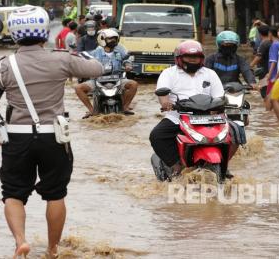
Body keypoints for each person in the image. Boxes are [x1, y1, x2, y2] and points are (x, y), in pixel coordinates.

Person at [0, 5, 103, 259]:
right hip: (54, 137)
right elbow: (97, 69)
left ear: (14, 34)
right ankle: (52, 250)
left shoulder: (3, 66)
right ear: (45, 32)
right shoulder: (61, 59)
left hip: (16, 137)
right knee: (55, 194)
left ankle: (21, 242)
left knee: (13, 193)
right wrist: (76, 51)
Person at [149, 40, 229, 176]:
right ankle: (176, 165)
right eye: (189, 57)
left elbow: (219, 97)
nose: (193, 60)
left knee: (235, 133)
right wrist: (165, 103)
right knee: (157, 136)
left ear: (201, 58)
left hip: (208, 117)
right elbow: (163, 95)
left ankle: (225, 165)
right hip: (178, 116)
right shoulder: (168, 73)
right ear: (179, 59)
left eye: (196, 57)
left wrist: (219, 107)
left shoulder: (210, 74)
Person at [74, 28, 138, 118]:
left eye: (114, 39)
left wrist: (128, 65)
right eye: (110, 39)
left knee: (133, 84)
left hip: (118, 79)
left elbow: (126, 59)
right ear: (102, 39)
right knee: (78, 88)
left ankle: (125, 107)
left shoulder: (119, 51)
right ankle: (92, 110)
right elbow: (84, 57)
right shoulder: (96, 52)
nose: (113, 41)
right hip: (97, 80)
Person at [250, 25, 272, 105]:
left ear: (259, 34)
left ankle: (268, 110)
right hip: (269, 70)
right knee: (268, 90)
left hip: (264, 71)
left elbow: (258, 57)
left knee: (265, 92)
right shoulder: (270, 42)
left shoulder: (264, 44)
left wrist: (250, 66)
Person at [262, 27, 279, 111]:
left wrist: (269, 74)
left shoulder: (274, 45)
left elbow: (273, 61)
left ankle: (268, 115)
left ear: (270, 34)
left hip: (274, 75)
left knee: (268, 98)